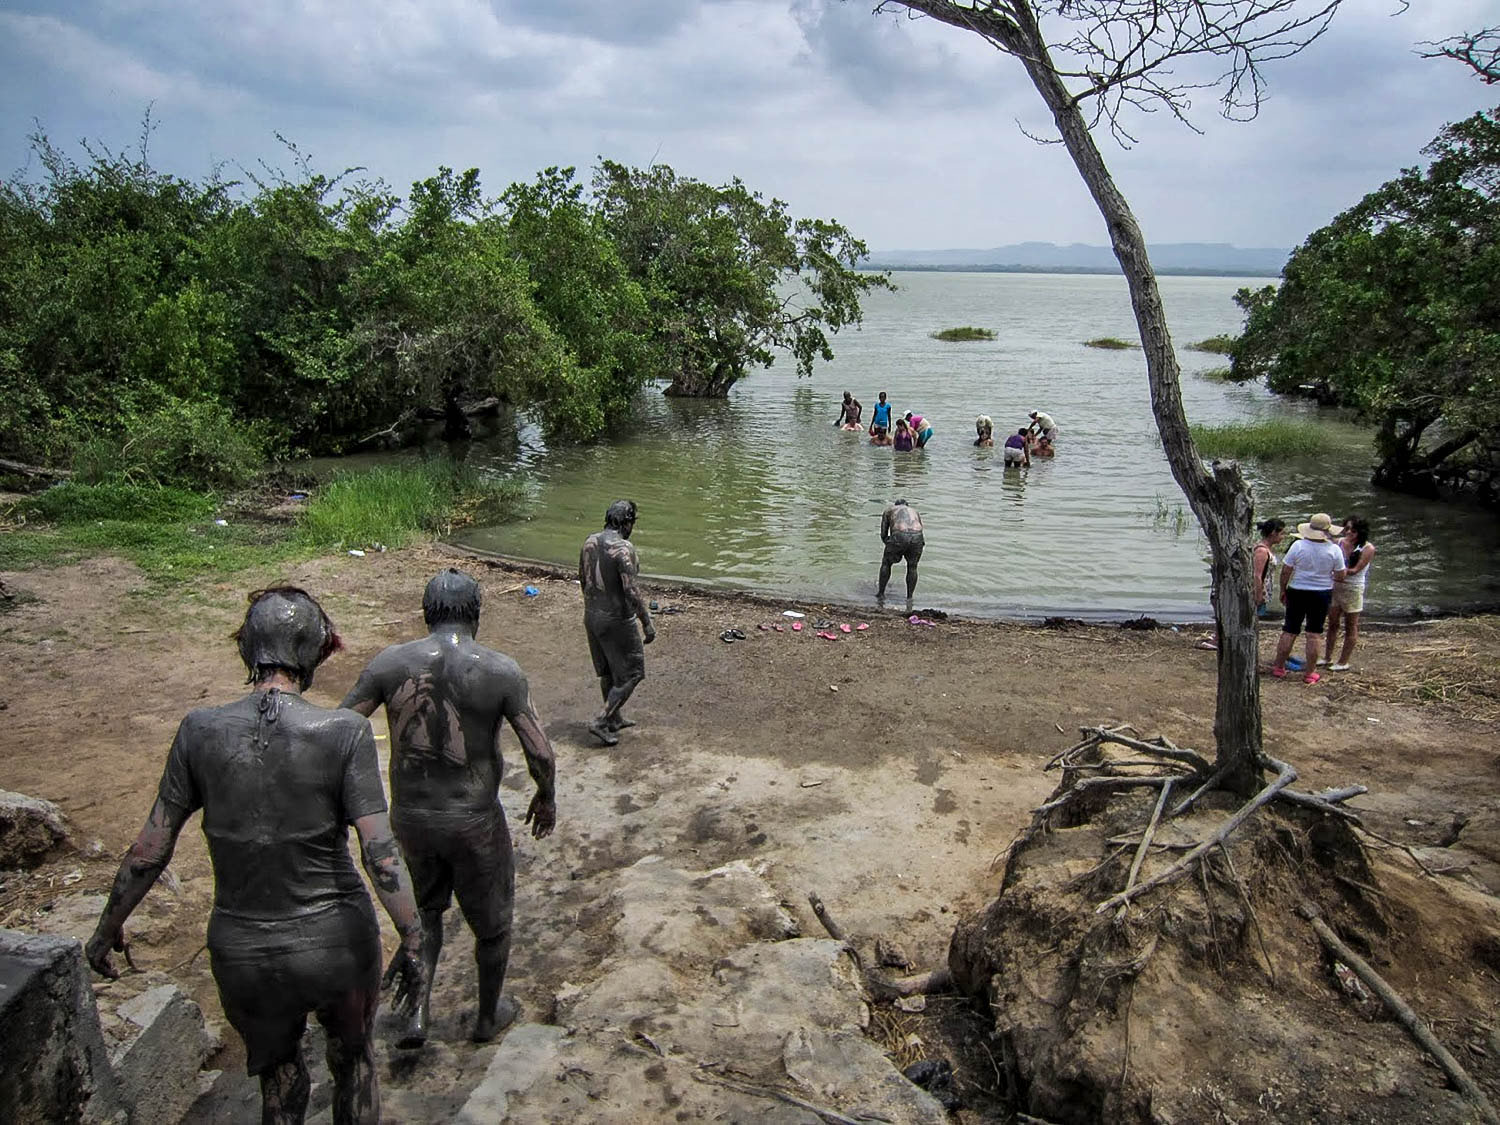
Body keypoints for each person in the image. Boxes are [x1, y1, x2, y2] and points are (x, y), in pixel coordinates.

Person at [87, 588, 426, 1125]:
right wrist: (412, 934)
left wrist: (107, 928)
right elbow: (379, 853)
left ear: (246, 649)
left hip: (244, 951)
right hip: (335, 941)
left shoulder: (199, 731)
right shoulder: (343, 732)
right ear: (316, 651)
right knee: (354, 1063)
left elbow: (150, 850)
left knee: (280, 1078)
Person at [341, 569, 558, 1048]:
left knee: (425, 916)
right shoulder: (499, 669)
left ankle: (417, 1013)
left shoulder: (389, 664)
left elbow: (341, 726)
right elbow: (540, 752)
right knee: (493, 927)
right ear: (476, 614)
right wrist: (546, 796)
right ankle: (487, 1017)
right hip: (473, 820)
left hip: (411, 820)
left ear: (427, 614)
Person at [579, 500, 655, 745]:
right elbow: (631, 591)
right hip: (616, 618)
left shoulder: (589, 542)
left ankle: (614, 718)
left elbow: (583, 579)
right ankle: (602, 719)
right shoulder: (624, 549)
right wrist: (646, 620)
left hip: (592, 615)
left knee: (609, 672)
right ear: (627, 522)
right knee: (633, 673)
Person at [1271, 514, 1347, 684]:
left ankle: (1279, 666)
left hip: (1297, 589)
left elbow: (1286, 570)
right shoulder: (1334, 550)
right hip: (1321, 592)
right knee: (1314, 634)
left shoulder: (1298, 545)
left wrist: (1283, 589)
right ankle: (1310, 673)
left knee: (1289, 630)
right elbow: (1341, 576)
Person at [1323, 515, 1375, 671]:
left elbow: (1355, 570)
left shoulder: (1367, 548)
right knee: (1332, 623)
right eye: (1347, 528)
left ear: (1360, 531)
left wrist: (1338, 571)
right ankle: (1327, 657)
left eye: (1353, 530)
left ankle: (1343, 661)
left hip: (1353, 588)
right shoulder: (1338, 543)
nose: (1349, 532)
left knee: (1351, 625)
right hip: (1336, 587)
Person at [878, 499, 925, 605]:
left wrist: (890, 547)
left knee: (886, 563)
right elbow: (921, 530)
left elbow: (883, 534)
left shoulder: (889, 510)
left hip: (900, 534)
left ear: (896, 505)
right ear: (907, 505)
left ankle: (881, 594)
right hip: (917, 536)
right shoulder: (914, 511)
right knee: (912, 567)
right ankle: (909, 597)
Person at [1252, 518, 1287, 618]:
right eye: (1282, 534)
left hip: (1264, 592)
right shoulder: (1262, 551)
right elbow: (1257, 575)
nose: (1283, 537)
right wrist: (1258, 595)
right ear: (1273, 533)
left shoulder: (1266, 549)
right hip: (1260, 593)